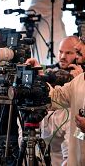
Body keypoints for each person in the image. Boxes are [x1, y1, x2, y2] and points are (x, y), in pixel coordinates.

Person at [26, 36, 85, 165]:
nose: (78, 47)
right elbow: (56, 96)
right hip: (74, 148)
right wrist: (38, 78)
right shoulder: (79, 81)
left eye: (69, 52)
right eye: (60, 51)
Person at [39, 36, 79, 166]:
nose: (62, 56)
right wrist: (37, 70)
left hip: (78, 131)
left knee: (73, 120)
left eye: (68, 53)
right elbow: (42, 70)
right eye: (60, 51)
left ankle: (70, 161)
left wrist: (78, 80)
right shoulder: (50, 70)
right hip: (48, 123)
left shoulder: (80, 76)